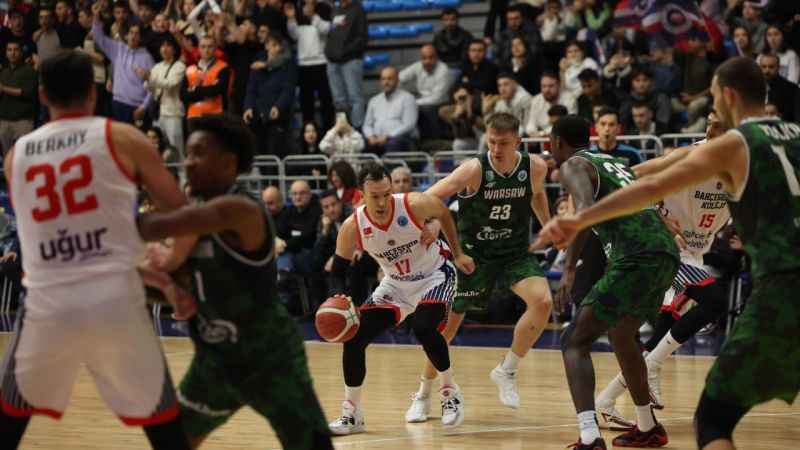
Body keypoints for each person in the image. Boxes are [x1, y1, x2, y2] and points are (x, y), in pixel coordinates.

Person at [536, 56, 800, 450]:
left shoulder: (731, 144)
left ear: (727, 96)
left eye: (712, 98)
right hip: (675, 252)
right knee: (627, 330)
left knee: (711, 419)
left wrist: (578, 219)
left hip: (776, 286)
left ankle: (606, 420)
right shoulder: (795, 132)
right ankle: (644, 413)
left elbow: (646, 188)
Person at [0, 50, 191, 449]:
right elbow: (181, 213)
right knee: (165, 427)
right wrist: (171, 266)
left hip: (47, 305)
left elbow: (49, 234)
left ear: (42, 95)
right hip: (114, 300)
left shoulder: (15, 155)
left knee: (8, 422)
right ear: (94, 91)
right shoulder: (122, 137)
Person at [137, 114, 334, 450]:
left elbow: (164, 223)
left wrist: (102, 219)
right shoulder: (193, 217)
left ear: (228, 162)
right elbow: (181, 288)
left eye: (199, 153)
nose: (188, 162)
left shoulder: (240, 208)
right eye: (187, 152)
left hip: (269, 361)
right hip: (215, 362)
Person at [408, 112, 553, 421]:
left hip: (514, 253)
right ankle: (423, 392)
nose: (497, 149)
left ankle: (507, 370)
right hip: (474, 256)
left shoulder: (535, 167)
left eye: (503, 143)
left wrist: (549, 225)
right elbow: (429, 196)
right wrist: (433, 221)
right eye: (491, 142)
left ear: (518, 142)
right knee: (444, 331)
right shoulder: (474, 169)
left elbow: (537, 195)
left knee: (543, 301)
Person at [545, 114, 678, 449]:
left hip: (637, 254)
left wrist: (570, 268)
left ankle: (589, 437)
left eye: (550, 140)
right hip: (664, 252)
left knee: (574, 341)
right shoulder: (610, 161)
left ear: (557, 142)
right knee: (621, 334)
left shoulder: (573, 164)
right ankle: (648, 427)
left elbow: (585, 211)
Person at [594, 109, 731, 426]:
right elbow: (628, 176)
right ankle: (651, 367)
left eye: (719, 127)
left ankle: (608, 397)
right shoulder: (687, 157)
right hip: (665, 248)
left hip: (694, 252)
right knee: (714, 300)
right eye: (708, 125)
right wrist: (657, 216)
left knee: (661, 333)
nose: (710, 132)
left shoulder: (739, 168)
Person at [327, 162, 475, 434]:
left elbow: (442, 210)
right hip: (395, 284)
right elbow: (338, 270)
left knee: (423, 327)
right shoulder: (353, 226)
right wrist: (340, 298)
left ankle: (449, 392)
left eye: (386, 193)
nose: (383, 201)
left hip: (434, 274)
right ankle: (352, 414)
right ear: (361, 194)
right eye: (375, 196)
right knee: (355, 337)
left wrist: (458, 253)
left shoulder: (413, 204)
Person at [92, 2, 154, 124]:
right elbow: (98, 37)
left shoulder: (147, 57)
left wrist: (144, 106)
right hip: (117, 103)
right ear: (125, 35)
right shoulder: (117, 49)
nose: (134, 36)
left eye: (137, 34)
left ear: (141, 37)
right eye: (131, 33)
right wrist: (96, 16)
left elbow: (153, 86)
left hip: (137, 106)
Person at [244, 32, 297, 157]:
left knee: (275, 153)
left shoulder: (288, 65)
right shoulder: (258, 65)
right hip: (258, 117)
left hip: (277, 118)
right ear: (266, 46)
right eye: (272, 45)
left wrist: (278, 106)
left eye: (277, 45)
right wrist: (248, 107)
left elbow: (288, 90)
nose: (275, 49)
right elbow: (251, 89)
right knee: (260, 155)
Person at [285, 0, 335, 131]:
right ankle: (308, 134)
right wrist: (291, 18)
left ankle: (328, 131)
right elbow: (294, 34)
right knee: (306, 103)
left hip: (320, 63)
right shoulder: (298, 12)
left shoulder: (323, 10)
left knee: (326, 101)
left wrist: (313, 15)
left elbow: (326, 29)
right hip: (304, 65)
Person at [324, 0, 367, 129]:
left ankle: (357, 133)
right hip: (333, 62)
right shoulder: (336, 10)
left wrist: (344, 52)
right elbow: (332, 34)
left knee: (355, 98)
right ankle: (342, 132)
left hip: (351, 61)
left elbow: (362, 38)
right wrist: (328, 51)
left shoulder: (358, 9)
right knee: (339, 101)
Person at [399, 44, 452, 140]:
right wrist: (401, 96)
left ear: (436, 57)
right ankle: (413, 139)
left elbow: (437, 98)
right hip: (421, 100)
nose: (427, 61)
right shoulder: (417, 66)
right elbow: (399, 78)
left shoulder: (443, 69)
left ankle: (433, 140)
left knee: (426, 109)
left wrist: (414, 102)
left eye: (431, 58)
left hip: (440, 103)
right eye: (424, 58)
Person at [362, 66, 418, 155]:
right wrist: (371, 136)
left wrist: (388, 136)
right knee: (360, 143)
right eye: (383, 79)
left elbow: (409, 125)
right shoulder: (374, 100)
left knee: (392, 144)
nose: (386, 82)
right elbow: (367, 125)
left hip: (400, 138)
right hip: (376, 138)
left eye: (390, 79)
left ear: (397, 80)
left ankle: (392, 169)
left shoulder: (408, 98)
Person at [146, 37, 186, 154]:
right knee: (156, 149)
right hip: (158, 113)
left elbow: (170, 84)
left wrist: (150, 78)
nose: (165, 49)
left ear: (174, 49)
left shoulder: (179, 66)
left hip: (173, 113)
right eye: (162, 46)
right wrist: (146, 79)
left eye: (168, 46)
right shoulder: (157, 67)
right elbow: (149, 87)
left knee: (176, 149)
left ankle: (181, 173)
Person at [0, 41, 37, 154]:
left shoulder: (29, 71)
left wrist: (4, 88)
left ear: (21, 53)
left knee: (24, 157)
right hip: (4, 121)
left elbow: (27, 93)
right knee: (8, 158)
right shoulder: (3, 72)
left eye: (16, 50)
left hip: (23, 121)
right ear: (6, 53)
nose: (12, 53)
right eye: (9, 50)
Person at [181, 35, 230, 119]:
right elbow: (183, 96)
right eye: (203, 47)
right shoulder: (189, 69)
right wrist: (210, 89)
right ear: (198, 49)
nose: (206, 50)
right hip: (193, 115)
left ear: (215, 48)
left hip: (215, 115)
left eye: (210, 47)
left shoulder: (223, 67)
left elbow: (219, 89)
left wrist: (194, 89)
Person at [525, 71, 576, 137]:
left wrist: (541, 134)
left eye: (551, 86)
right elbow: (531, 124)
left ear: (559, 85)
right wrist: (532, 133)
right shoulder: (536, 100)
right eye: (544, 86)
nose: (547, 90)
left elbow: (568, 124)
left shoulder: (569, 99)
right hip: (541, 140)